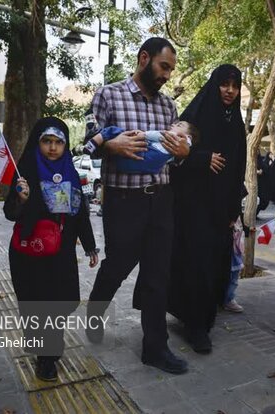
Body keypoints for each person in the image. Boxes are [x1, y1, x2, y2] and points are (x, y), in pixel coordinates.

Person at [84, 37, 191, 375]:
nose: (167, 75)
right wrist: (110, 144)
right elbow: (87, 143)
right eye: (163, 66)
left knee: (158, 275)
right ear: (144, 58)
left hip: (161, 199)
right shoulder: (108, 95)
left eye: (171, 70)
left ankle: (155, 349)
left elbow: (171, 158)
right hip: (123, 200)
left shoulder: (168, 108)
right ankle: (96, 312)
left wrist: (183, 156)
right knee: (117, 266)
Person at [4, 117, 98, 382]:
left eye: (58, 142)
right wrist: (21, 200)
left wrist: (90, 246)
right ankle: (45, 357)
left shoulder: (70, 171)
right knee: (36, 304)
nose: (53, 148)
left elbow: (80, 214)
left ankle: (48, 349)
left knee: (60, 302)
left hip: (61, 251)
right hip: (30, 251)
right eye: (47, 141)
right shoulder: (25, 170)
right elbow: (10, 213)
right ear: (38, 143)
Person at [168, 64, 246, 354]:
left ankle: (201, 320)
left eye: (235, 86)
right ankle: (196, 328)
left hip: (220, 209)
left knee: (214, 266)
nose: (230, 91)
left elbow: (238, 168)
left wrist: (233, 209)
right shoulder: (195, 116)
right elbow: (173, 153)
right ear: (214, 85)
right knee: (196, 265)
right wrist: (201, 158)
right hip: (193, 208)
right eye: (225, 84)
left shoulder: (236, 124)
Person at [84, 120, 198, 174]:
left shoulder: (174, 136)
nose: (173, 125)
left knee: (113, 131)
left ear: (187, 136)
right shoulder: (180, 147)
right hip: (144, 169)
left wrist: (142, 134)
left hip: (132, 161)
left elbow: (156, 135)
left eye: (179, 125)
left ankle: (96, 138)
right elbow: (172, 161)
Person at [256, 150, 274, 216]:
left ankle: (256, 214)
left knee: (263, 199)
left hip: (263, 184)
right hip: (255, 184)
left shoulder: (261, 161)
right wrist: (256, 171)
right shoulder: (250, 161)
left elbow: (266, 171)